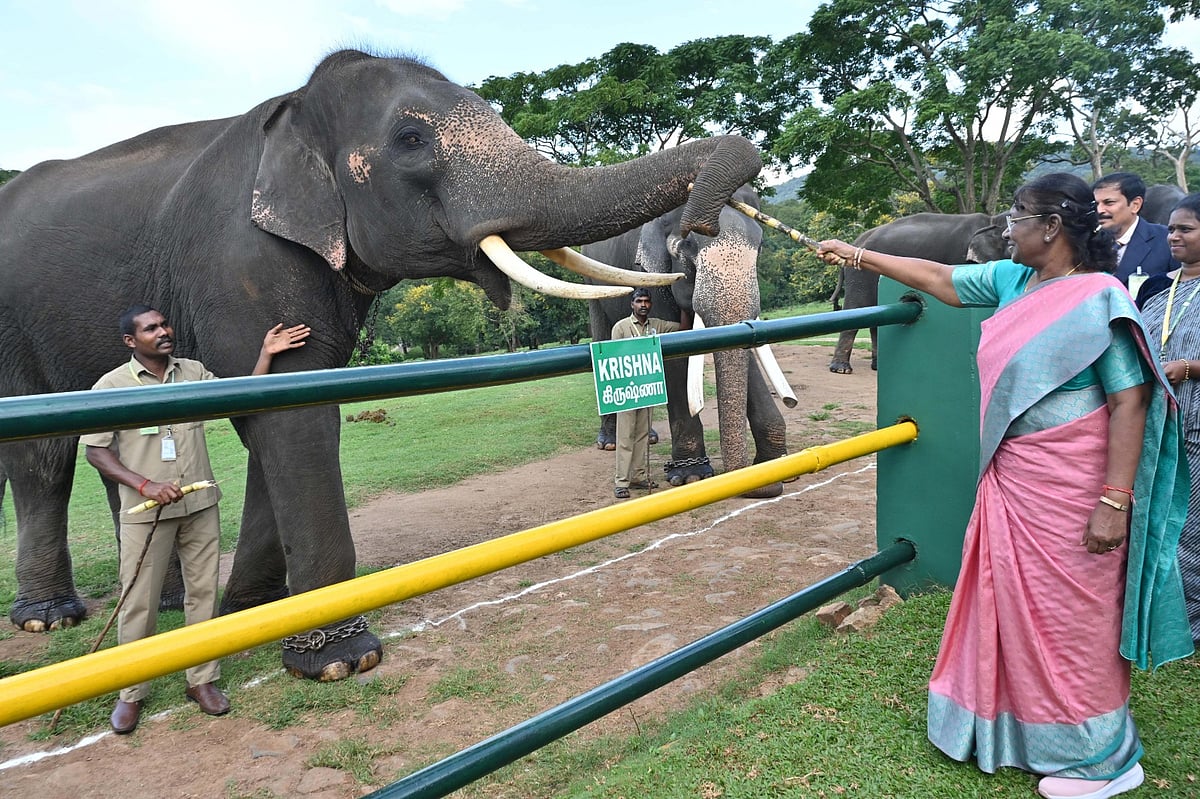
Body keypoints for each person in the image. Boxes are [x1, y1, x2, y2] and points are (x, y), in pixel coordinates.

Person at [817, 173, 1193, 799]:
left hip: (1076, 489)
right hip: (1014, 477)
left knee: (1073, 618)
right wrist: (858, 254)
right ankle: (1022, 732)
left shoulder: (1099, 297)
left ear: (1052, 227)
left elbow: (1130, 402)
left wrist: (1113, 501)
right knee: (1016, 608)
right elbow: (939, 279)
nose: (1006, 229)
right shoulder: (1014, 281)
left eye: (1017, 217)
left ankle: (1101, 760)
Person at [81, 305, 310, 735]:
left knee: (203, 595)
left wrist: (266, 353)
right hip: (146, 513)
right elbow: (96, 451)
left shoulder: (193, 372)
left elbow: (238, 400)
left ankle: (201, 680)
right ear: (131, 341)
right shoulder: (111, 385)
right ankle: (131, 693)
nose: (163, 331)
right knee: (139, 603)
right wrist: (145, 485)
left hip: (199, 504)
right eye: (151, 328)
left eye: (164, 324)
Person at [1137, 192, 1200, 644]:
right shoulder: (1158, 287)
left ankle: (1191, 624)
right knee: (1156, 521)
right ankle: (1157, 615)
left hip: (1196, 426)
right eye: (1171, 229)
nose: (1173, 236)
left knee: (1192, 526)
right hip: (1156, 424)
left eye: (1185, 229)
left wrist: (1190, 368)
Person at [611, 288, 680, 499]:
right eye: (639, 301)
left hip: (647, 389)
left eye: (647, 301)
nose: (643, 305)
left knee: (643, 434)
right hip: (627, 390)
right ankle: (621, 482)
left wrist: (686, 304)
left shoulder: (656, 325)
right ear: (632, 304)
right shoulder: (621, 327)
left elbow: (683, 328)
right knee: (625, 436)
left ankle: (638, 476)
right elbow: (613, 359)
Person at [1093, 172, 1177, 291]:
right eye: (1096, 204)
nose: (1099, 210)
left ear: (1135, 205)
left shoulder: (1167, 241)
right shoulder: (1087, 242)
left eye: (1109, 203)